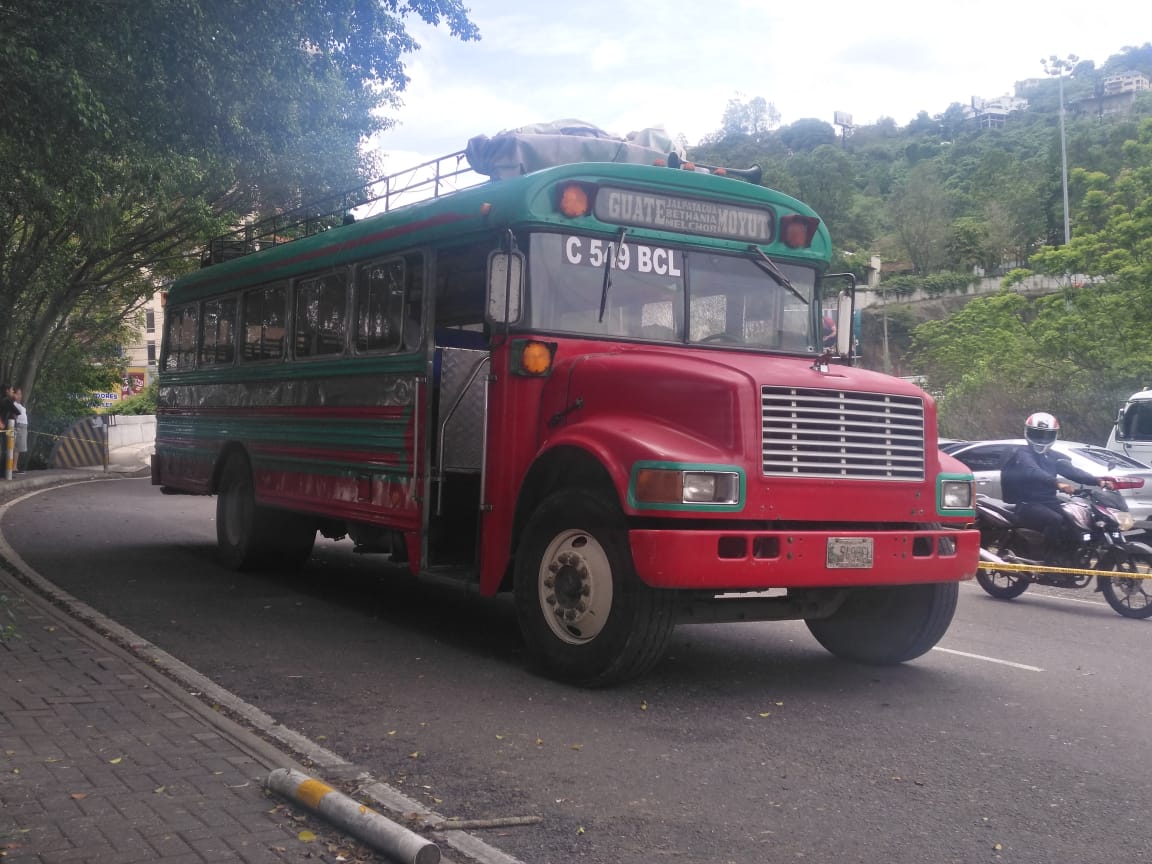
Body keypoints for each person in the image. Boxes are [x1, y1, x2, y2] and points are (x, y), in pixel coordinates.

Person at [1000, 411, 1111, 549]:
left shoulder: (1052, 456)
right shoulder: (1022, 454)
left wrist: (1098, 481)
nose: (1041, 439)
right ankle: (1046, 558)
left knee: (1076, 521)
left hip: (1049, 502)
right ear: (1028, 433)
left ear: (1054, 436)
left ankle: (1069, 557)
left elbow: (1073, 472)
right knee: (1055, 520)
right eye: (1037, 434)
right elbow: (1032, 471)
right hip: (1027, 504)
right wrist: (1057, 483)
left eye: (1047, 435)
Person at [12, 386, 28, 473]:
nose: (20, 396)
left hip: (23, 427)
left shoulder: (20, 405)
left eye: (20, 394)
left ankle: (15, 467)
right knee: (16, 447)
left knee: (18, 448)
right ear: (13, 394)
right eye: (17, 394)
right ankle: (13, 467)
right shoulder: (13, 404)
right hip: (18, 426)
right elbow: (14, 416)